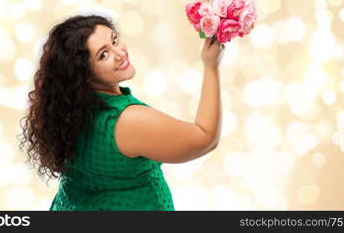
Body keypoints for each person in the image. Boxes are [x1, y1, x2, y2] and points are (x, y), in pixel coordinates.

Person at [18, 14, 225, 211]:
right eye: (103, 55)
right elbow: (205, 138)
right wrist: (211, 66)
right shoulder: (125, 121)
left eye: (114, 40)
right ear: (83, 74)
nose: (120, 54)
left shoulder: (67, 111)